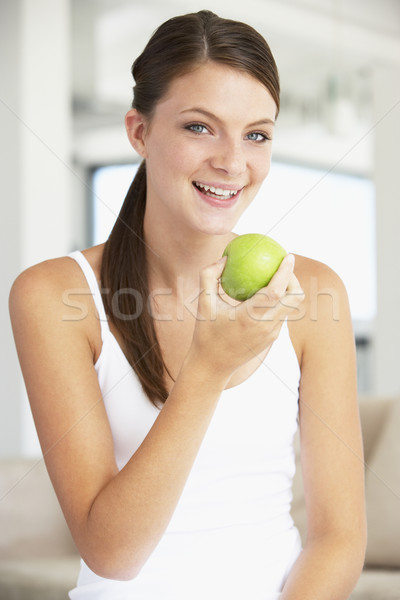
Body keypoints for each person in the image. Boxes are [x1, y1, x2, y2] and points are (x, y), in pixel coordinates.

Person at [9, 9, 366, 600]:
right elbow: (112, 554)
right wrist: (207, 368)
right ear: (139, 131)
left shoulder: (314, 293)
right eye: (200, 127)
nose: (232, 162)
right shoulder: (54, 295)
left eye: (257, 134)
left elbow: (338, 538)